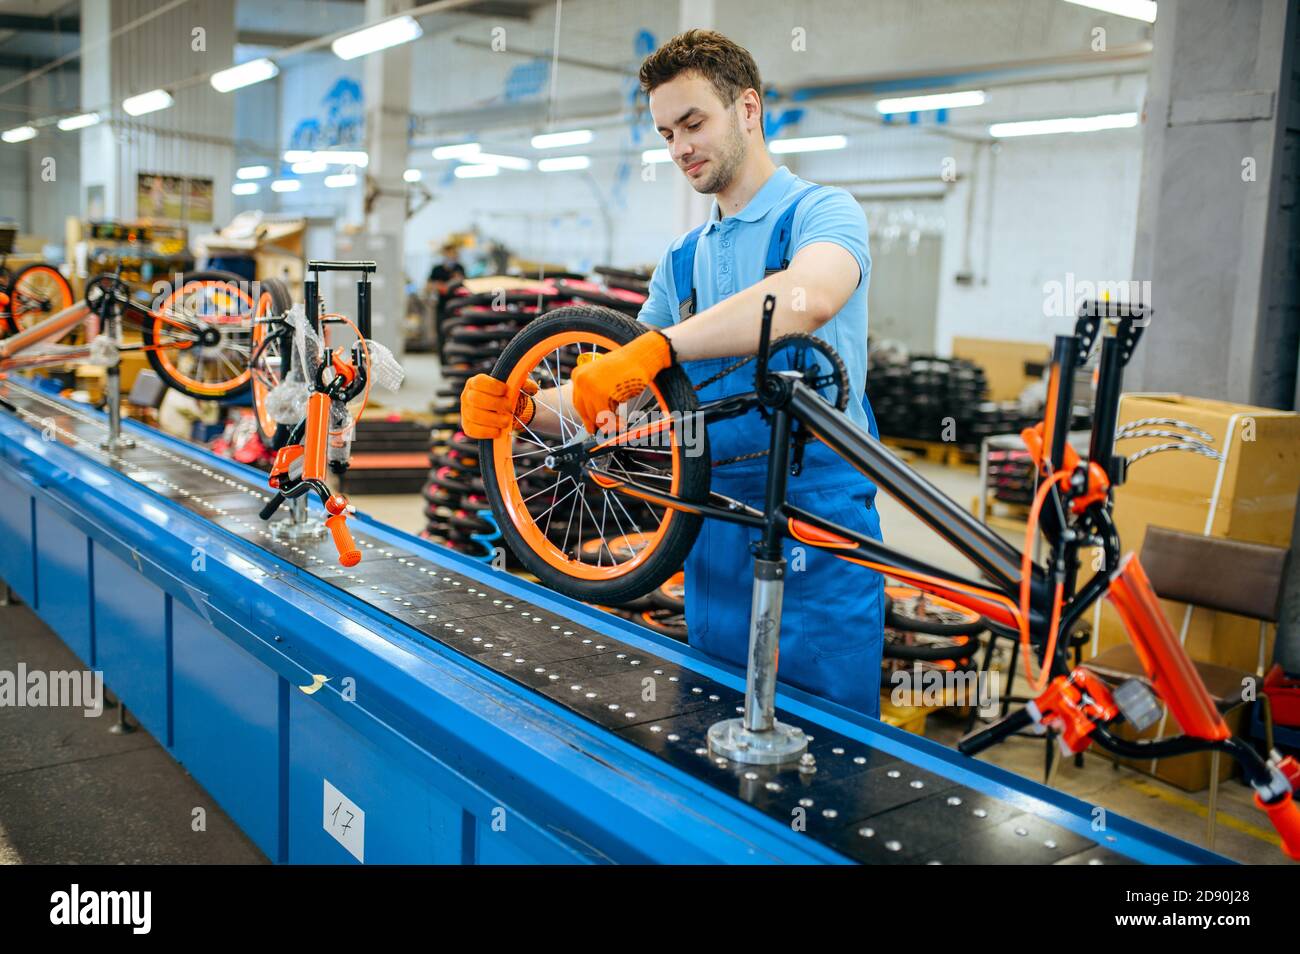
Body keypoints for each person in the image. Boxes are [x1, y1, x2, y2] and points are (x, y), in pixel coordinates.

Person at [460, 29, 884, 718]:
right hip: (708, 507)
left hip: (817, 508)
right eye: (665, 134)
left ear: (748, 109)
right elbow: (618, 393)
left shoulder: (821, 212)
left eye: (694, 123)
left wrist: (661, 349)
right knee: (711, 713)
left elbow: (811, 297)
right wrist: (527, 410)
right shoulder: (683, 262)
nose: (681, 147)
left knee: (826, 728)